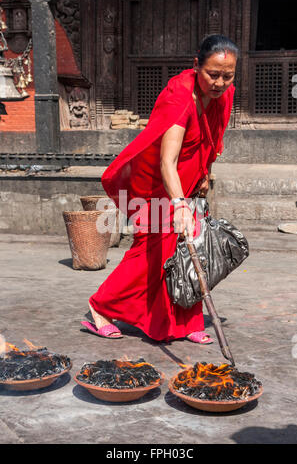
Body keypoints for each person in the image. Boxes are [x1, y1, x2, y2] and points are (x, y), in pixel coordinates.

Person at [82, 35, 238, 343]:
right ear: (196, 66)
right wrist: (179, 205)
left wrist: (206, 171)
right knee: (150, 253)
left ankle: (183, 322)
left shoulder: (225, 94)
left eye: (228, 76)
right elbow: (167, 161)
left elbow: (212, 138)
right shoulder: (179, 97)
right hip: (158, 187)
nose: (220, 83)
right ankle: (100, 307)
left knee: (185, 252)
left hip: (188, 184)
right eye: (213, 74)